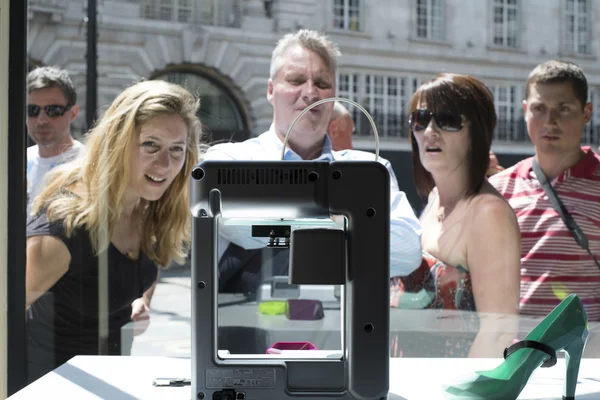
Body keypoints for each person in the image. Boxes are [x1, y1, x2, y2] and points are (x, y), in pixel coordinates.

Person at [204, 29, 422, 292]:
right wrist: (344, 224)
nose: (310, 93)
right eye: (296, 80)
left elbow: (408, 250)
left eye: (322, 83)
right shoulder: (229, 160)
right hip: (245, 328)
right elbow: (240, 227)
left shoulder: (371, 169)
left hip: (342, 330)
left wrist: (282, 229)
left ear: (334, 93)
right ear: (271, 90)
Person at [25, 80, 202, 382]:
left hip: (111, 379)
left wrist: (140, 298)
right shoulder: (63, 228)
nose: (165, 163)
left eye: (177, 149)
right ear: (117, 142)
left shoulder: (151, 209)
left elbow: (147, 263)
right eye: (150, 145)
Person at [390, 73, 521, 358]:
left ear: (477, 133)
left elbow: (498, 333)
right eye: (420, 119)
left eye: (448, 119)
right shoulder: (436, 199)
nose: (429, 131)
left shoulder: (489, 214)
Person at [489, 60, 600, 324]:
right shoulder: (498, 189)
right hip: (514, 354)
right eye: (539, 109)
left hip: (587, 355)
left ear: (586, 113)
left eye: (563, 109)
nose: (549, 122)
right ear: (525, 110)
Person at [26, 66, 84, 214]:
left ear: (73, 113)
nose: (41, 120)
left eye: (53, 110)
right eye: (32, 110)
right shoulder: (16, 162)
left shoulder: (88, 163)